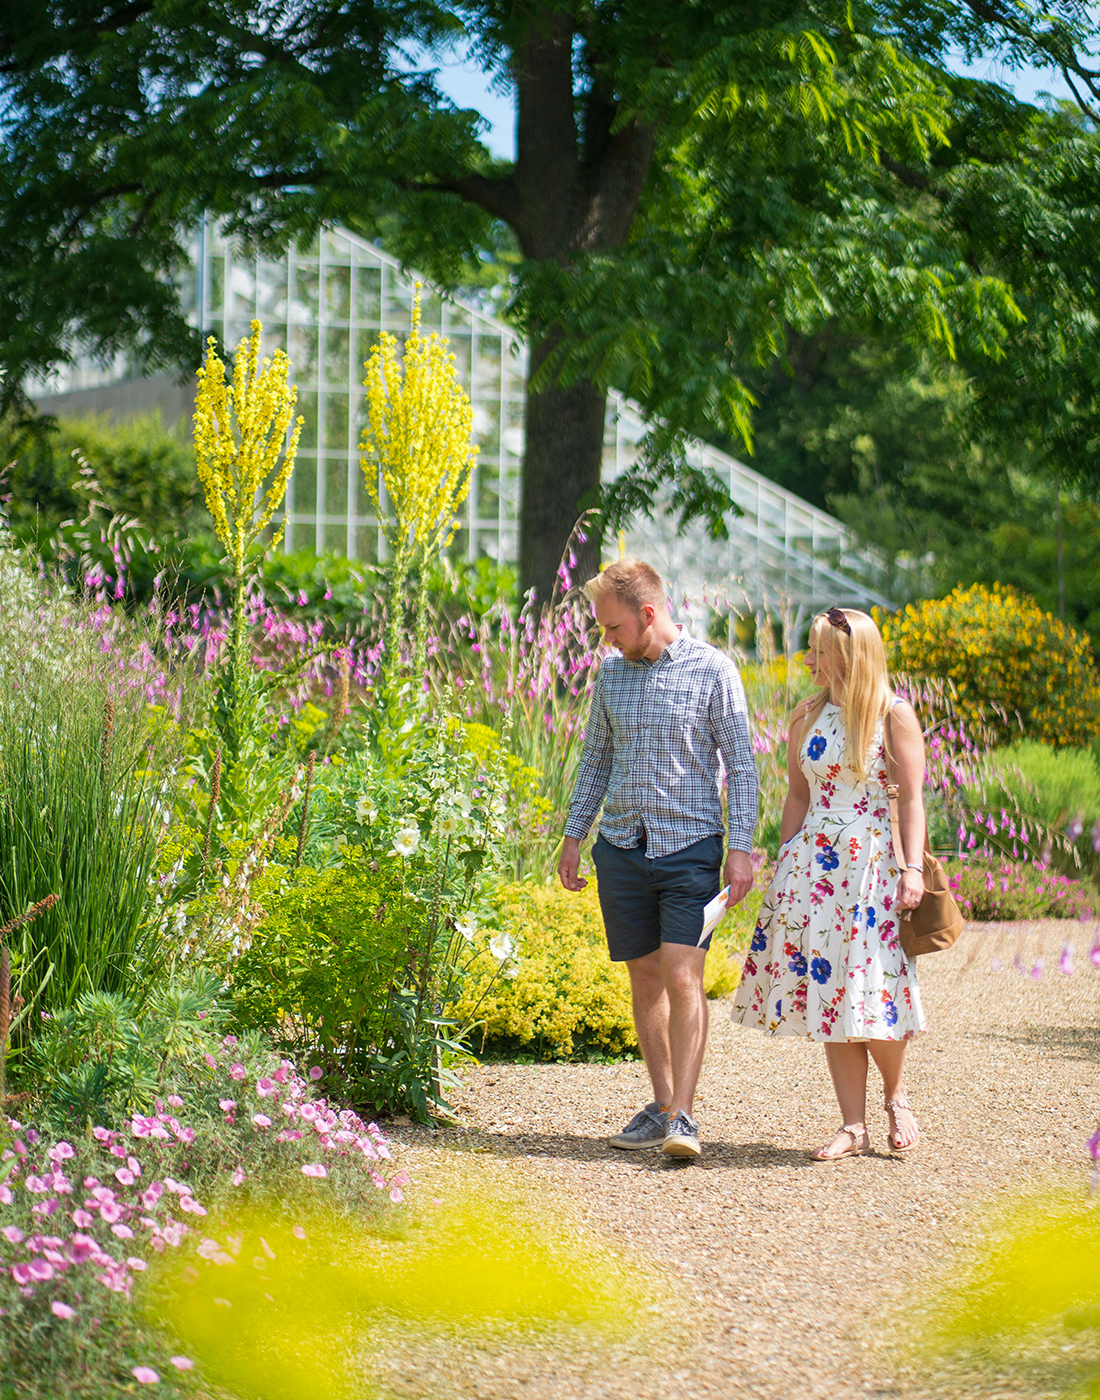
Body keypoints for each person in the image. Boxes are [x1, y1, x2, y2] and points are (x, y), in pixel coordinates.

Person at [558, 558, 759, 1161]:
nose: (606, 638)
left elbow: (742, 765)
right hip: (621, 847)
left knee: (682, 973)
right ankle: (664, 1105)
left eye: (613, 627)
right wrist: (573, 835)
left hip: (691, 848)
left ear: (649, 614)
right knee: (645, 976)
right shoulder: (610, 675)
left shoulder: (714, 670)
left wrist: (741, 848)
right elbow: (596, 759)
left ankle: (685, 1120)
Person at [730, 607, 927, 1160]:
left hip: (871, 865)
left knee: (874, 984)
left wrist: (911, 868)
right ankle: (853, 1125)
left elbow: (910, 799)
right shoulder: (806, 715)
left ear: (848, 655)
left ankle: (895, 1098)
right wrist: (786, 860)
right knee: (831, 989)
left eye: (818, 649)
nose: (808, 659)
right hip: (815, 866)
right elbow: (797, 794)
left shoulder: (892, 715)